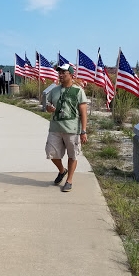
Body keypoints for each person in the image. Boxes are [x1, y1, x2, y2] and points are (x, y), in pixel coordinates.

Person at [45, 64, 87, 192]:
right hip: (55, 128)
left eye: (64, 73)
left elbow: (83, 112)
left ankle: (69, 180)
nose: (61, 75)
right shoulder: (54, 90)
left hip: (72, 129)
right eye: (60, 73)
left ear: (71, 75)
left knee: (72, 155)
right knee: (50, 153)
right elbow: (48, 106)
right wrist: (49, 108)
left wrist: (83, 131)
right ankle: (62, 171)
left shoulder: (78, 91)